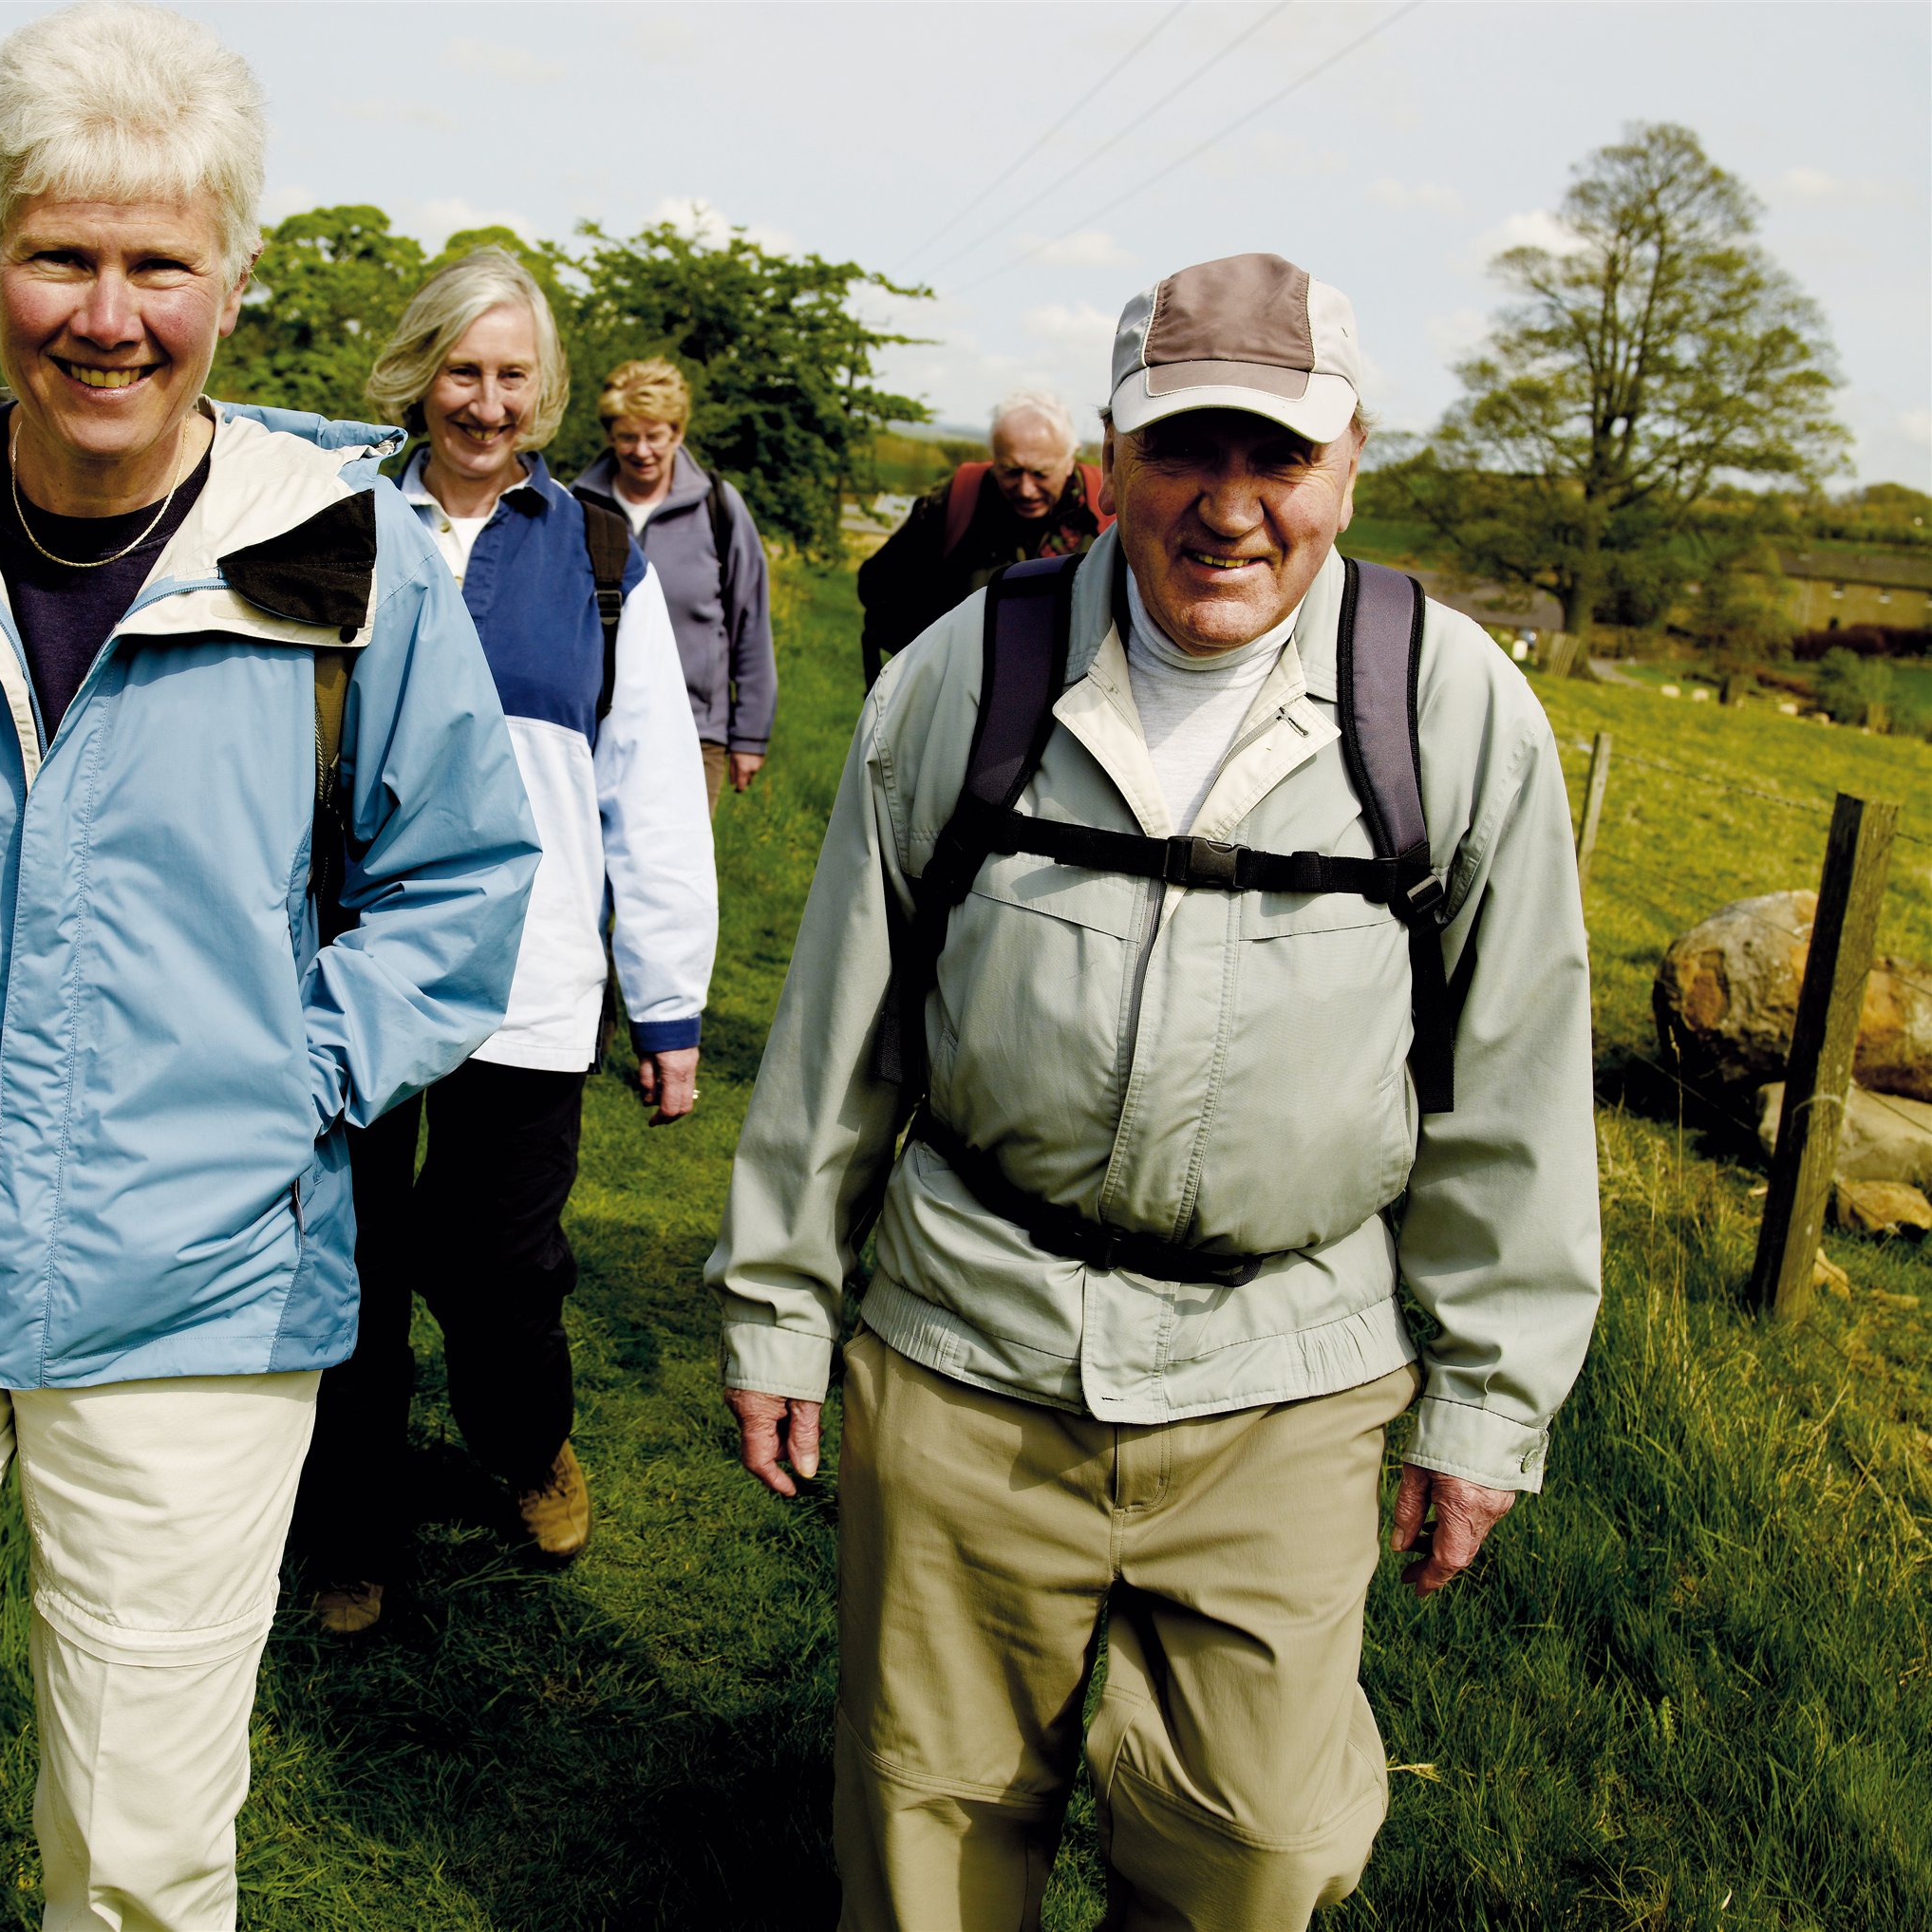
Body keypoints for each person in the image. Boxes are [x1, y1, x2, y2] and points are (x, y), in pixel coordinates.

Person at [0, 9, 542, 1925]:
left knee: (139, 1846)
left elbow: (461, 882)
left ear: (234, 276)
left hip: (202, 1274)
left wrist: (287, 1069)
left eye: (158, 263)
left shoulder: (339, 557)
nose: (106, 314)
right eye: (60, 254)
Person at [709, 252, 1600, 1930]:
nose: (1229, 508)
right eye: (1187, 450)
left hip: (1287, 1373)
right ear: (1114, 458)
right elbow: (843, 1027)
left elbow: (1516, 1081)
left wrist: (1490, 1402)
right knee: (931, 1821)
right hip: (970, 1339)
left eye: (1279, 458)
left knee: (1256, 1850)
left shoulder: (1449, 704)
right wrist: (776, 1303)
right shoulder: (973, 674)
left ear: (1350, 465)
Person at [291, 253, 720, 1637]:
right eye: (460, 370)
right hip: (349, 971)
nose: (483, 401)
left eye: (510, 374)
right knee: (343, 1264)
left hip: (531, 979)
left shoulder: (598, 553)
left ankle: (525, 1442)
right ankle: (345, 1522)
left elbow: (647, 787)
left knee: (502, 1268)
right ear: (419, 371)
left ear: (546, 391)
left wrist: (665, 1006)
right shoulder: (340, 520)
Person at [570, 358, 776, 812]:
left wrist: (749, 736)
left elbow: (751, 623)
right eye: (627, 436)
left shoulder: (718, 507)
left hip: (693, 734)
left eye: (655, 435)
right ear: (609, 436)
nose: (641, 450)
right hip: (590, 729)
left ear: (678, 433)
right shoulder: (576, 507)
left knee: (673, 878)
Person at [856, 387, 1105, 685]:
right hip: (964, 691)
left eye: (1041, 473)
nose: (1026, 489)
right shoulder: (958, 500)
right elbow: (876, 586)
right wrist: (938, 661)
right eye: (1011, 472)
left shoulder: (1107, 512)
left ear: (1069, 461)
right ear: (994, 458)